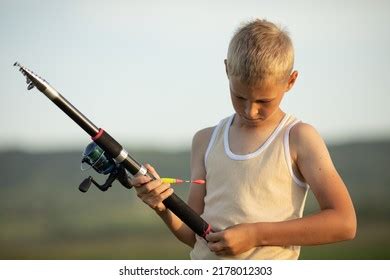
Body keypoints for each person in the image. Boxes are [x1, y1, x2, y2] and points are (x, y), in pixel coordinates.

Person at [130, 19, 357, 259]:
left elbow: (344, 222)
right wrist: (162, 207)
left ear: (290, 81)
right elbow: (192, 234)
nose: (250, 111)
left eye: (263, 101)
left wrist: (255, 235)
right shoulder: (205, 141)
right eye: (239, 97)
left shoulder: (298, 138)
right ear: (227, 69)